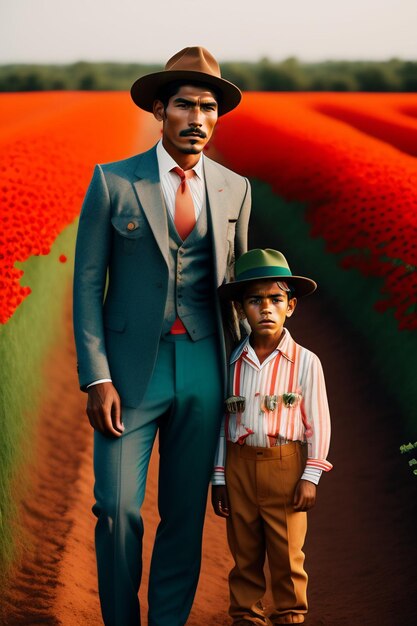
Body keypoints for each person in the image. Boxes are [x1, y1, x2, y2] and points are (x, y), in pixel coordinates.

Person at [73, 46, 251, 626]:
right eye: (184, 105)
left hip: (205, 365)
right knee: (116, 507)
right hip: (128, 372)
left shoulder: (235, 190)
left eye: (208, 107)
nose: (197, 119)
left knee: (184, 514)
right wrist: (97, 376)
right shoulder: (112, 182)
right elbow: (87, 288)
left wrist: (262, 368)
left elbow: (242, 291)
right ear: (159, 109)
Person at [212, 249, 332, 626]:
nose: (265, 308)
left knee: (286, 553)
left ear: (290, 306)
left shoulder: (305, 361)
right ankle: (246, 615)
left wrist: (310, 476)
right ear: (241, 309)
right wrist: (219, 477)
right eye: (254, 300)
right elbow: (222, 421)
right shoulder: (231, 361)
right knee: (244, 552)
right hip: (239, 465)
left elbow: (319, 422)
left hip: (286, 465)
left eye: (275, 299)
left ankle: (290, 614)